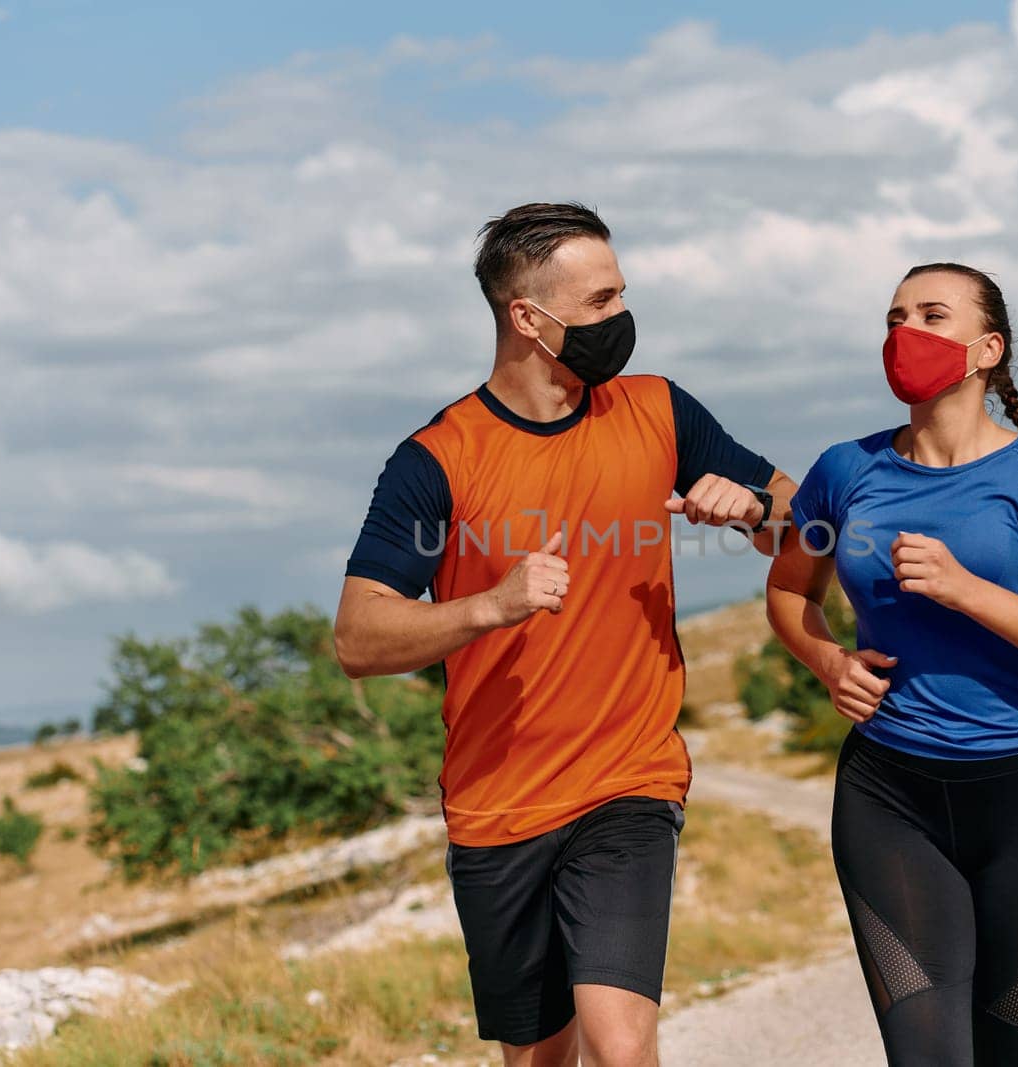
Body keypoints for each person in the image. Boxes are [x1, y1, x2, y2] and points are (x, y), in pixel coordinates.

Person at [334, 202, 797, 1067]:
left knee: (622, 1044)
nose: (619, 318)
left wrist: (754, 510)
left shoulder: (659, 411)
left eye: (620, 295)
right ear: (528, 319)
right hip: (496, 804)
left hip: (628, 779)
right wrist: (487, 606)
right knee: (539, 1057)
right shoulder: (438, 458)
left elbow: (810, 526)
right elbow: (358, 637)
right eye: (600, 301)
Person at [764, 262, 1018, 1066]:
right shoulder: (844, 470)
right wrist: (828, 661)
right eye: (896, 316)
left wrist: (968, 590)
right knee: (927, 1055)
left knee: (1009, 1056)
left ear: (985, 349)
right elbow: (790, 593)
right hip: (889, 798)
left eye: (933, 315)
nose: (907, 332)